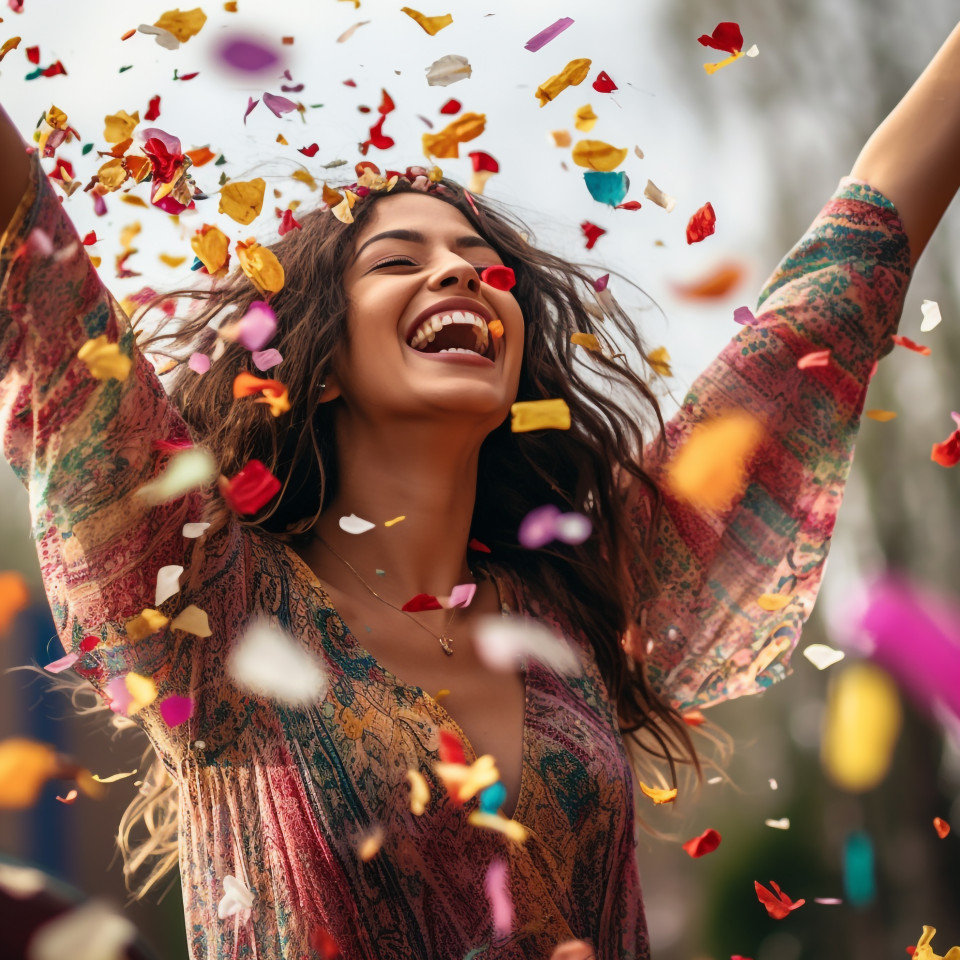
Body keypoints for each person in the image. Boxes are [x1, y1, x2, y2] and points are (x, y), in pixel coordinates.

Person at [1, 18, 958, 960]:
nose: (460, 270)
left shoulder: (589, 594)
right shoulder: (211, 608)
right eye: (398, 261)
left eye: (477, 259)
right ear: (318, 363)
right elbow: (36, 267)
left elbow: (841, 276)